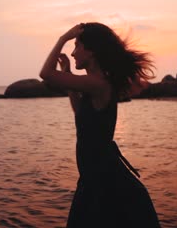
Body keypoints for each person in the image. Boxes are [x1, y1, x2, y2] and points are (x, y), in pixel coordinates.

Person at [40, 23, 160, 227]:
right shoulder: (94, 83)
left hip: (105, 182)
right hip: (94, 178)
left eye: (77, 46)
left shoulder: (98, 83)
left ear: (92, 51)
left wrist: (63, 38)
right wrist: (68, 72)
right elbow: (80, 113)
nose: (73, 52)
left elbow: (46, 74)